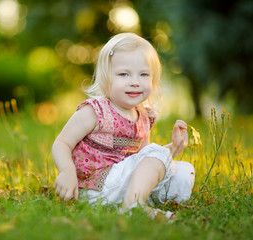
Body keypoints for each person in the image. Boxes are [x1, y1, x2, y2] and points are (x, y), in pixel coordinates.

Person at [52, 33, 195, 221]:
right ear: (106, 78)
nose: (134, 81)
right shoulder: (96, 110)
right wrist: (67, 172)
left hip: (122, 185)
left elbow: (144, 161)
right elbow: (62, 143)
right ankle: (134, 207)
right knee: (158, 153)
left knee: (183, 172)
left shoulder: (144, 116)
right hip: (95, 186)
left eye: (143, 74)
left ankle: (135, 201)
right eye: (123, 74)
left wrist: (174, 148)